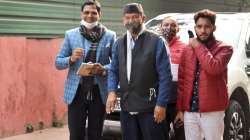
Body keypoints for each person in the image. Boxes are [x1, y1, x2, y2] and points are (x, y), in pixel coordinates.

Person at [106, 3, 172, 140]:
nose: (131, 21)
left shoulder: (157, 42)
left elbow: (165, 77)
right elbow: (113, 70)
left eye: (135, 17)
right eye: (127, 17)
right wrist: (111, 91)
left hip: (150, 107)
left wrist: (161, 104)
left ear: (143, 18)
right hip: (127, 107)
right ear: (123, 20)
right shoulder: (119, 43)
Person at [55, 0, 116, 140]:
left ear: (99, 14)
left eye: (94, 13)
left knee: (96, 134)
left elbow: (116, 65)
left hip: (99, 91)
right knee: (76, 134)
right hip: (77, 92)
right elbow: (58, 63)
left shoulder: (109, 35)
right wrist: (71, 59)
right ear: (81, 14)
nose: (90, 15)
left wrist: (103, 69)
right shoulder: (70, 35)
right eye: (86, 12)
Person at [175, 9, 233, 140]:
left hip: (212, 111)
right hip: (190, 111)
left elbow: (213, 68)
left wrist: (197, 46)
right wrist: (180, 109)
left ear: (214, 28)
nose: (202, 30)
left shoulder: (224, 48)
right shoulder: (187, 50)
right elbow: (182, 81)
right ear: (195, 28)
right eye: (199, 27)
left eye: (207, 27)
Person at [160, 16, 186, 140]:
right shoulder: (156, 46)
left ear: (178, 28)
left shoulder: (186, 48)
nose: (169, 28)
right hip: (160, 102)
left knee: (181, 136)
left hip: (178, 102)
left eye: (173, 25)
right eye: (165, 25)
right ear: (160, 28)